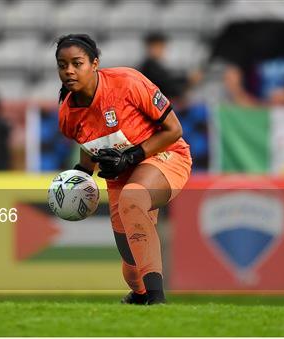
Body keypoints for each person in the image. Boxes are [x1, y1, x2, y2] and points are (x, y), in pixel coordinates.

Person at [55, 34, 192, 305]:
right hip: (120, 177)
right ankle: (140, 295)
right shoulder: (67, 116)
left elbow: (174, 130)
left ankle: (157, 298)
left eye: (77, 63)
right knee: (131, 266)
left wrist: (131, 157)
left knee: (133, 197)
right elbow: (89, 144)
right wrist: (80, 176)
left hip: (166, 155)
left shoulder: (127, 82)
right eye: (62, 65)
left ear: (94, 64)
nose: (69, 70)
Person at [138, 32, 202, 108]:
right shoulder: (149, 67)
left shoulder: (155, 66)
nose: (161, 50)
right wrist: (187, 79)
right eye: (158, 46)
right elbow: (167, 84)